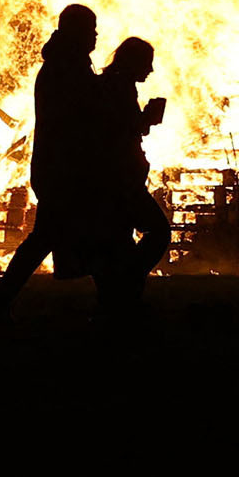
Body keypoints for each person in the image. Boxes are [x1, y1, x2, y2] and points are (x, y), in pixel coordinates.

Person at [0, 3, 103, 319]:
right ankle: (117, 306)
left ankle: (115, 305)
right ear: (76, 33)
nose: (95, 37)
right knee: (55, 238)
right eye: (90, 30)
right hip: (64, 170)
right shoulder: (66, 69)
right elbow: (80, 115)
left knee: (68, 237)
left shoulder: (66, 64)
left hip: (60, 169)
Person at [90, 36, 172, 313]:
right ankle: (124, 290)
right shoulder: (118, 87)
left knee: (119, 240)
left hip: (114, 177)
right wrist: (146, 119)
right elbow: (121, 130)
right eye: (147, 63)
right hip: (120, 179)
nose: (150, 70)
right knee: (158, 232)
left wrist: (142, 122)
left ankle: (117, 304)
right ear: (133, 62)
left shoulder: (111, 84)